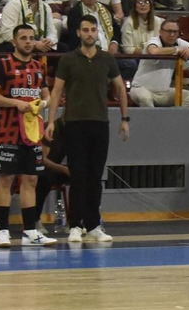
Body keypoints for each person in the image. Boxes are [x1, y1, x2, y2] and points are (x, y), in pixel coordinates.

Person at [45, 14, 132, 243]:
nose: (90, 34)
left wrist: (125, 119)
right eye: (85, 30)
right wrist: (51, 120)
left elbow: (120, 88)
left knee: (95, 176)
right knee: (78, 175)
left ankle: (93, 225)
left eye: (93, 30)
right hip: (74, 124)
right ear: (78, 33)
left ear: (97, 32)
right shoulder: (68, 59)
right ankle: (75, 225)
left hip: (100, 124)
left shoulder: (106, 59)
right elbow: (56, 92)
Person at [0, 25, 54, 246]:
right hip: (7, 132)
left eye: (31, 38)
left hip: (32, 133)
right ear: (14, 41)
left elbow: (47, 96)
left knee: (31, 179)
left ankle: (30, 230)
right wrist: (16, 103)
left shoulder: (37, 67)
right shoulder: (2, 65)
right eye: (23, 38)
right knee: (6, 179)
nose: (27, 42)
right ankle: (3, 230)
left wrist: (42, 104)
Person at [131, 18, 189, 107]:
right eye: (169, 31)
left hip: (164, 92)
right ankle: (151, 121)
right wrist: (177, 49)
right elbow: (154, 51)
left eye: (175, 32)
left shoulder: (179, 42)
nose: (172, 35)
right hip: (141, 88)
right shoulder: (154, 41)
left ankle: (174, 120)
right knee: (145, 98)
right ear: (161, 32)